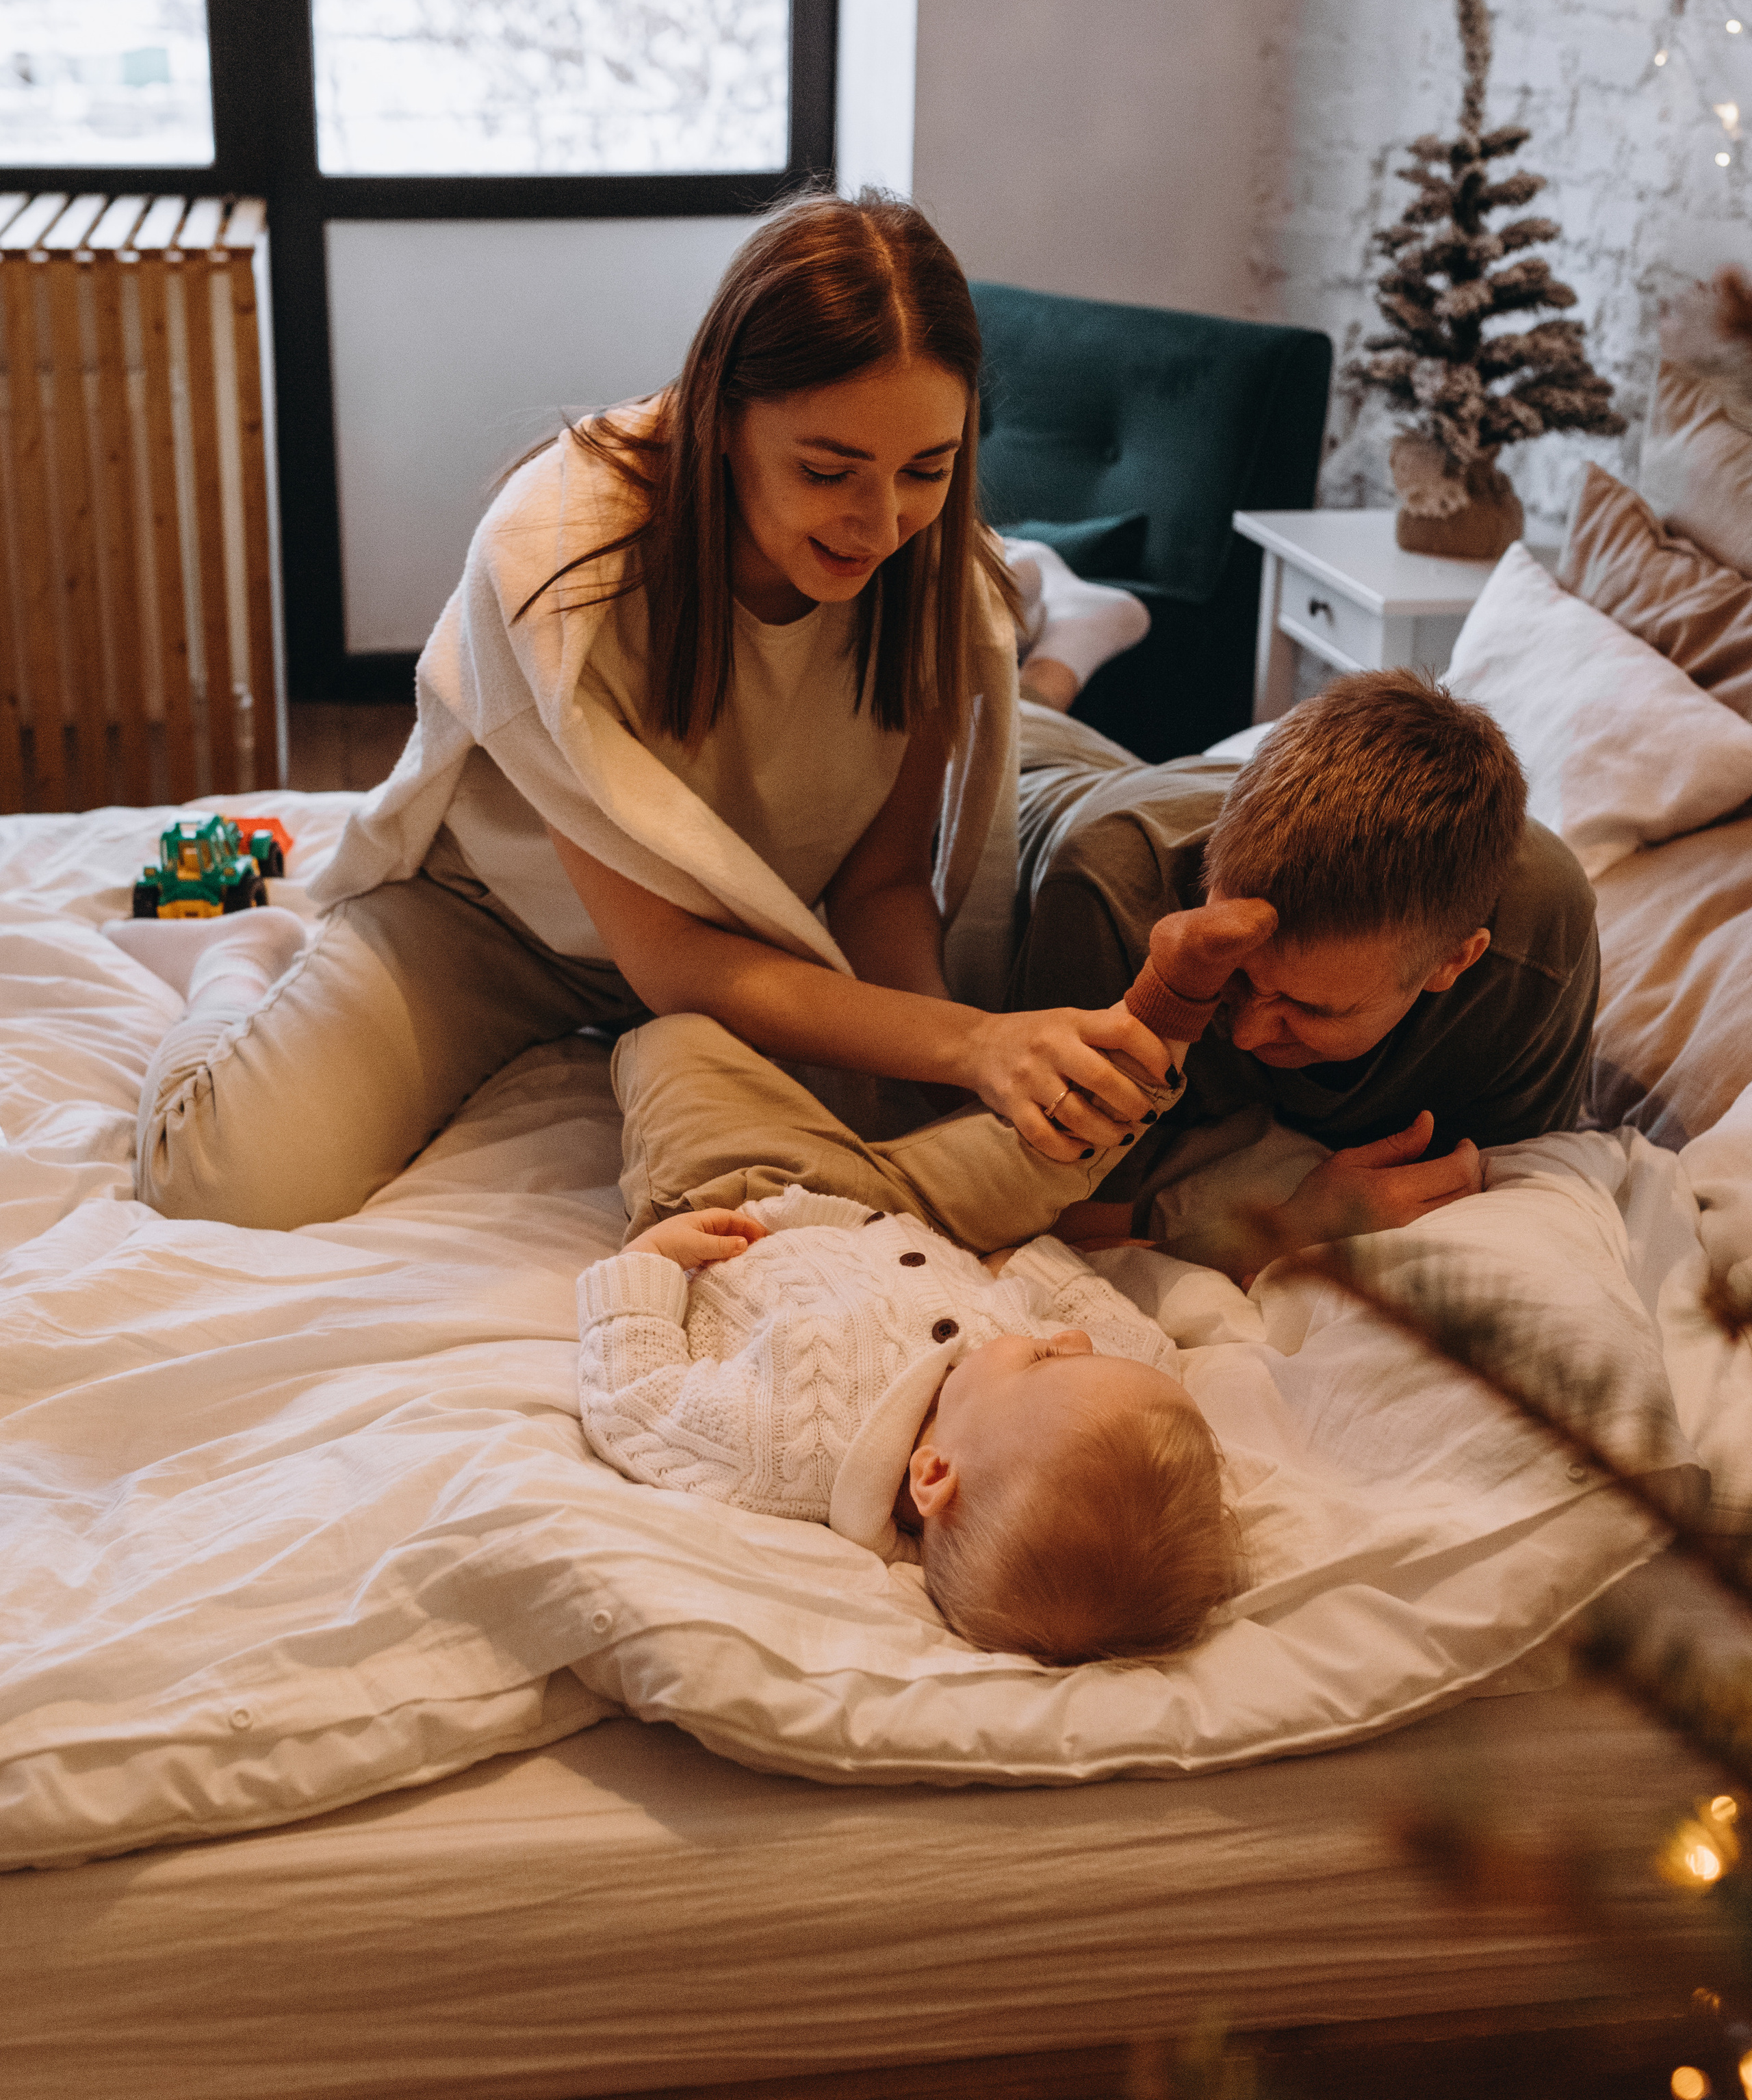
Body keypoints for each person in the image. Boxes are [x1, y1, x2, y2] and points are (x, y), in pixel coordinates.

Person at [133, 190, 1171, 1232]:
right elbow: (670, 956)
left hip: (753, 946)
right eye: (828, 471)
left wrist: (952, 1065)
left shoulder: (934, 576)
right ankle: (238, 964)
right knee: (217, 1181)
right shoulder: (558, 560)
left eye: (927, 470)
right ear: (721, 415)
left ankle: (1061, 632)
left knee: (894, 1166)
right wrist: (968, 1043)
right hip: (501, 923)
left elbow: (882, 883)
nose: (880, 521)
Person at [578, 898, 1277, 1665]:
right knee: (1057, 1148)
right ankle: (1169, 1004)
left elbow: (635, 1402)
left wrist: (650, 1262)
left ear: (934, 1474)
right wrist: (1025, 1266)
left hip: (750, 1195)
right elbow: (1124, 1336)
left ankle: (707, 1049)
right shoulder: (1091, 1403)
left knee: (677, 1039)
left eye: (1047, 1358)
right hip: (934, 1217)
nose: (1073, 1340)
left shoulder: (785, 1452)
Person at [1007, 670, 1600, 1275]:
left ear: (1453, 961)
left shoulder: (1537, 951)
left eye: (1310, 1008)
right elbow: (1070, 1253)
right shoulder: (1111, 904)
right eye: (1236, 976)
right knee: (1007, 711)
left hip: (1150, 781)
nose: (1247, 1034)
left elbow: (1500, 1197)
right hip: (1034, 797)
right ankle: (1052, 670)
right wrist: (1295, 1231)